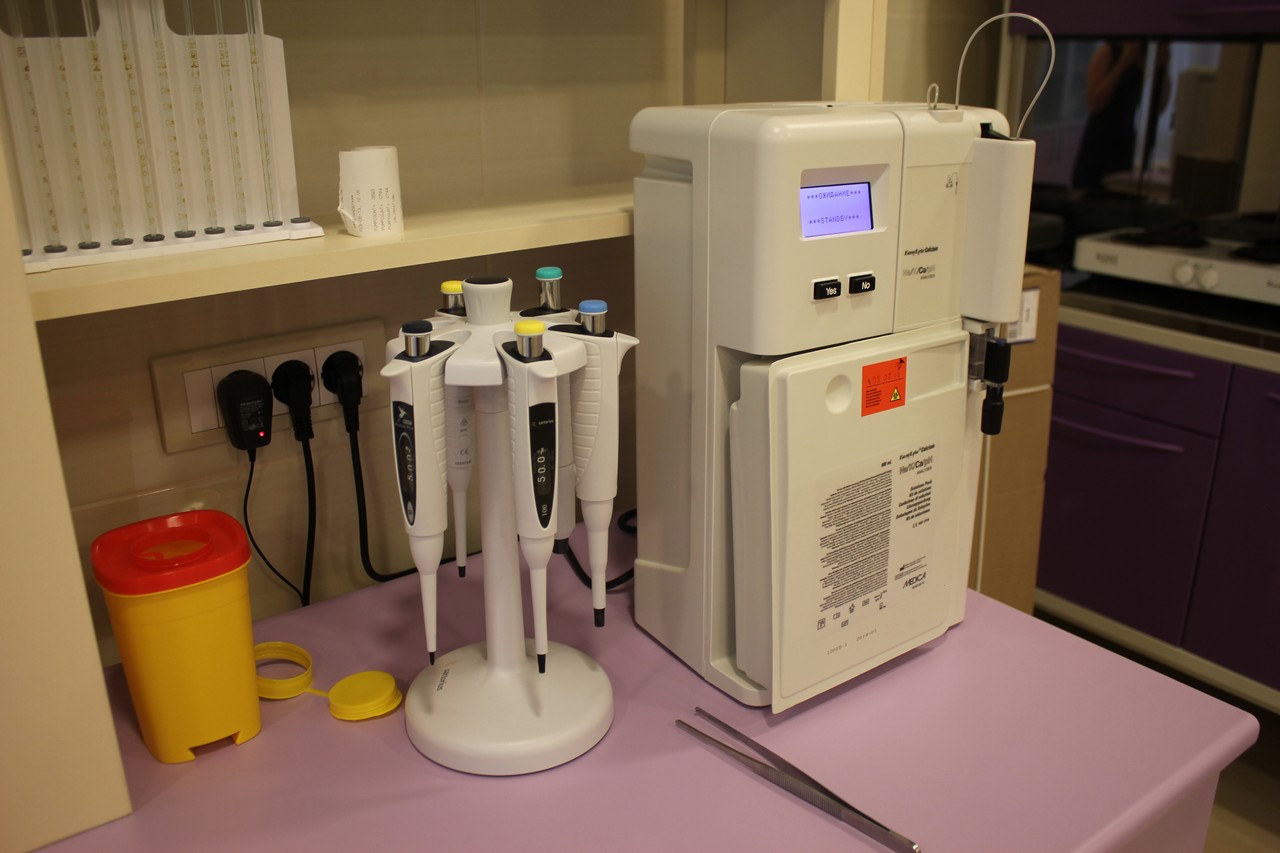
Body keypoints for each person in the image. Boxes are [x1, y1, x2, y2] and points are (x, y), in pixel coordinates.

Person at [1071, 40, 1167, 191]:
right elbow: (1094, 103)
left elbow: (1158, 107)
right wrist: (1123, 62)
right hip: (1099, 141)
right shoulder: (1109, 51)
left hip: (1124, 143)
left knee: (1119, 191)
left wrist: (1162, 69)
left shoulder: (1143, 58)